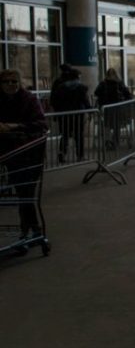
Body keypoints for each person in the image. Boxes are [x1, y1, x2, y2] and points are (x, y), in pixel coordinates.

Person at [0, 68, 49, 240]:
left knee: (25, 193)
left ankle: (29, 230)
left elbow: (42, 124)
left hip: (27, 152)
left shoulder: (28, 99)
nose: (11, 84)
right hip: (7, 152)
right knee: (24, 194)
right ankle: (32, 230)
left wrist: (15, 126)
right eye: (7, 81)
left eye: (14, 81)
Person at [49, 65, 90, 164]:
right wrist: (91, 110)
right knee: (78, 135)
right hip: (78, 115)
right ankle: (80, 155)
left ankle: (62, 153)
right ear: (77, 77)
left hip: (64, 115)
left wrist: (57, 112)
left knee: (65, 135)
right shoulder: (80, 88)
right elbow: (85, 101)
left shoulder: (61, 87)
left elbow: (54, 101)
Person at [94, 67, 132, 149]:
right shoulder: (119, 83)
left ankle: (108, 141)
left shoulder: (103, 83)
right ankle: (115, 142)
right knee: (116, 126)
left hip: (106, 108)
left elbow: (96, 93)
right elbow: (128, 94)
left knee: (106, 125)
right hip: (118, 108)